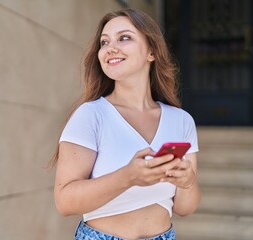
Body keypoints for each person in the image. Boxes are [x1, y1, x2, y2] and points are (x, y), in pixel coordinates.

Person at [51, 8, 201, 240]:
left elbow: (184, 208)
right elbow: (64, 201)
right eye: (104, 42)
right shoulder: (91, 115)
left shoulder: (181, 121)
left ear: (151, 51)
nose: (110, 47)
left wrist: (187, 181)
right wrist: (127, 177)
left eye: (124, 37)